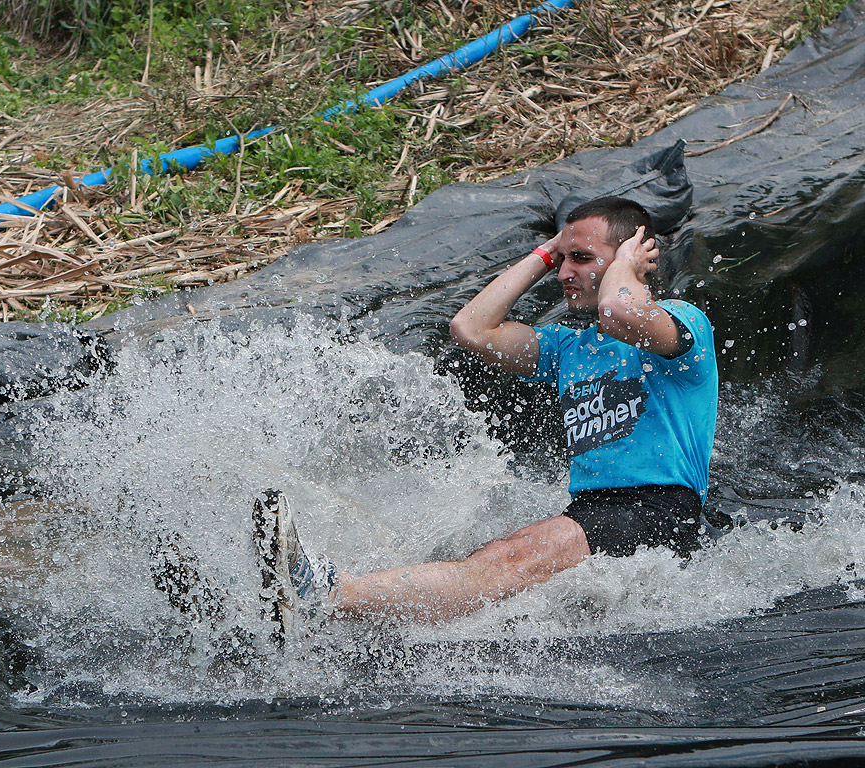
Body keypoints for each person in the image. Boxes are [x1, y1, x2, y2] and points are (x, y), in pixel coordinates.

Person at [156, 196, 718, 636]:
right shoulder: (570, 349)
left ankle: (323, 594)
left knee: (504, 559)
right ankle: (302, 619)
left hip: (657, 512)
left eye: (582, 259)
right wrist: (548, 252)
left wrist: (624, 269)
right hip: (594, 510)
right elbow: (471, 328)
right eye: (563, 260)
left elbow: (623, 311)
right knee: (488, 568)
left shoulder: (678, 322)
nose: (565, 272)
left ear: (631, 259)